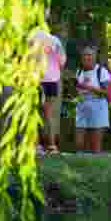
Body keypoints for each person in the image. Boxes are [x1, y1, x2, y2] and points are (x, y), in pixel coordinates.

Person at [30, 26, 66, 154]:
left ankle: (36, 145)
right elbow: (62, 60)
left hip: (36, 79)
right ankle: (52, 146)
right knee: (49, 113)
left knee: (34, 113)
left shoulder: (30, 38)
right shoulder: (55, 40)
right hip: (52, 80)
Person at [74, 43, 111, 153]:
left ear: (95, 57)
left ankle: (97, 160)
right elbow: (77, 90)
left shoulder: (101, 71)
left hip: (98, 106)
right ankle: (81, 161)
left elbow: (106, 93)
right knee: (79, 142)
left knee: (95, 144)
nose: (87, 57)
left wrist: (88, 87)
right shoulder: (79, 71)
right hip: (82, 106)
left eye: (90, 55)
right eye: (84, 55)